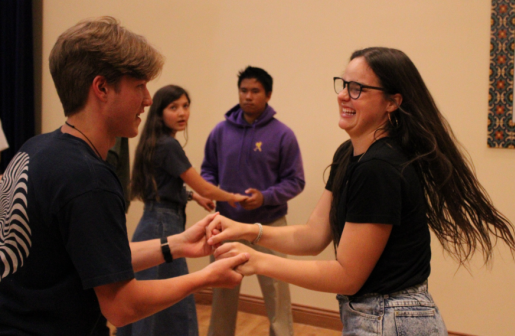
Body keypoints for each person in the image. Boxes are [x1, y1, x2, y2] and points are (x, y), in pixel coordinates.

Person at [206, 47, 515, 336]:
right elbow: (313, 236)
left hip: (391, 319)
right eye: (343, 85)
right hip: (372, 315)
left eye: (357, 89)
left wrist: (258, 261)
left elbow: (347, 275)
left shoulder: (380, 167)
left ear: (392, 102)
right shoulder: (348, 153)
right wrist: (247, 231)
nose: (343, 95)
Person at [0, 17, 249, 336]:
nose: (148, 99)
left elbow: (99, 258)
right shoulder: (88, 178)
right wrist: (207, 277)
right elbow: (122, 306)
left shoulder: (38, 148)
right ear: (102, 88)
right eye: (139, 86)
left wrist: (179, 244)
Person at [118, 85, 248, 336]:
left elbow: (164, 185)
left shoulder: (156, 141)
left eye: (186, 106)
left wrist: (192, 196)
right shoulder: (168, 145)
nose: (182, 113)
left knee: (153, 301)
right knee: (165, 302)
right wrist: (232, 197)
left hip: (154, 222)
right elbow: (205, 187)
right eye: (173, 107)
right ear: (159, 112)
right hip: (163, 226)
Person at [201, 66, 305, 336]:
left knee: (277, 292)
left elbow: (296, 180)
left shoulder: (283, 135)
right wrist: (212, 191)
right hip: (226, 225)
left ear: (268, 94)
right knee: (222, 288)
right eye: (243, 90)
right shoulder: (220, 131)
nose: (248, 96)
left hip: (269, 226)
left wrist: (265, 197)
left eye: (255, 91)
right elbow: (208, 170)